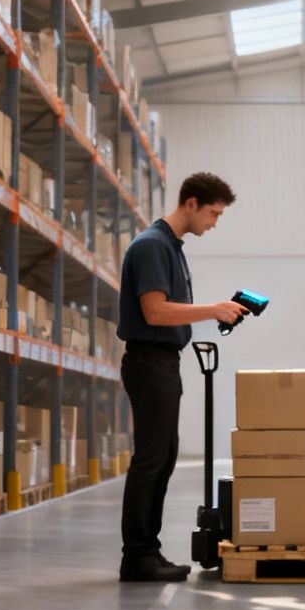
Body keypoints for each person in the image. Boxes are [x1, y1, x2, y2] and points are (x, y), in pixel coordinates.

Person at [117, 172, 247, 583]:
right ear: (190, 203)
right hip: (149, 361)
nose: (214, 222)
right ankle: (137, 555)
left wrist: (214, 312)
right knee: (151, 459)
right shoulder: (153, 247)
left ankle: (147, 550)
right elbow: (155, 311)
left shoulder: (170, 247)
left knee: (164, 456)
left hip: (163, 362)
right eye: (213, 213)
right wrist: (213, 309)